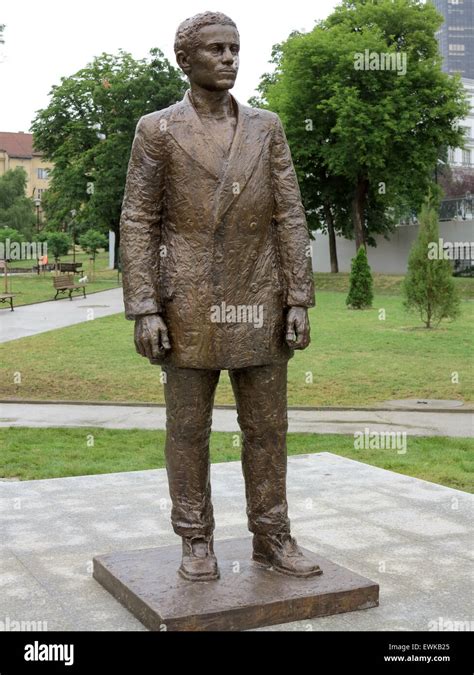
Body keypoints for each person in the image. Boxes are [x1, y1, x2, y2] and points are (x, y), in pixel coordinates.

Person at [120, 11, 322, 581]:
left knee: (268, 427)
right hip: (186, 303)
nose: (229, 57)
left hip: (260, 296)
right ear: (186, 60)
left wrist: (299, 298)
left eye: (235, 48)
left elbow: (290, 215)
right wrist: (145, 307)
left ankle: (273, 536)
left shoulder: (267, 127)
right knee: (188, 429)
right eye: (215, 49)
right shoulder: (157, 129)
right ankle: (195, 539)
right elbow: (138, 219)